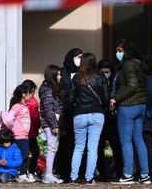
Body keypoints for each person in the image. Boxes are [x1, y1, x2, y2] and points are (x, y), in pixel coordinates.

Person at [110, 39, 151, 184]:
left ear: (127, 51)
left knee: (126, 141)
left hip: (128, 106)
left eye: (120, 51)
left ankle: (128, 174)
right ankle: (145, 174)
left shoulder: (128, 65)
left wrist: (116, 98)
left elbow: (132, 86)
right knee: (138, 140)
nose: (117, 53)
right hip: (140, 106)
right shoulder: (138, 65)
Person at [70, 53, 108, 185]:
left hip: (79, 114)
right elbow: (105, 98)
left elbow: (71, 98)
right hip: (97, 114)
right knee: (93, 148)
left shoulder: (76, 77)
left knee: (79, 147)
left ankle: (74, 177)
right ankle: (89, 178)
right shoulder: (100, 76)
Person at [55, 48, 83, 182]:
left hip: (78, 111)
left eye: (81, 57)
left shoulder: (83, 72)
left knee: (79, 143)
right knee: (66, 143)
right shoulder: (64, 71)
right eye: (77, 57)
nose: (79, 59)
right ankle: (64, 172)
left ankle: (80, 173)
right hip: (66, 112)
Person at [0, 84, 34, 183]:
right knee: (24, 154)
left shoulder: (24, 107)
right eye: (29, 92)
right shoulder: (16, 106)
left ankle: (22, 174)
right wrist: (11, 129)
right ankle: (13, 172)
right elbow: (8, 119)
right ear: (23, 94)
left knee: (26, 154)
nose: (31, 95)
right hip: (18, 135)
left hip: (25, 135)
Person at [134, 58, 152, 181]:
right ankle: (144, 170)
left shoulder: (151, 80)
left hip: (145, 115)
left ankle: (149, 171)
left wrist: (139, 103)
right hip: (144, 115)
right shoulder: (150, 80)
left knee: (146, 143)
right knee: (143, 143)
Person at [96, 59, 123, 181]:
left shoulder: (115, 81)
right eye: (102, 72)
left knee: (116, 147)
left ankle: (120, 172)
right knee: (98, 147)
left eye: (107, 72)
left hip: (112, 118)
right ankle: (103, 174)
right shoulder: (96, 81)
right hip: (101, 116)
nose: (105, 74)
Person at [39, 65, 64, 184]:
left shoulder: (53, 88)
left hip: (54, 123)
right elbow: (49, 109)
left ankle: (47, 173)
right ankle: (48, 175)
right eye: (58, 74)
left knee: (54, 147)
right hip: (50, 124)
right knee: (52, 148)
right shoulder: (48, 90)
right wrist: (54, 125)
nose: (60, 77)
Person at [22, 79, 41, 182]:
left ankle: (22, 173)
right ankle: (31, 172)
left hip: (21, 133)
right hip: (31, 133)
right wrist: (38, 126)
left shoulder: (18, 100)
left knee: (22, 153)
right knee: (35, 153)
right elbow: (35, 117)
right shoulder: (33, 102)